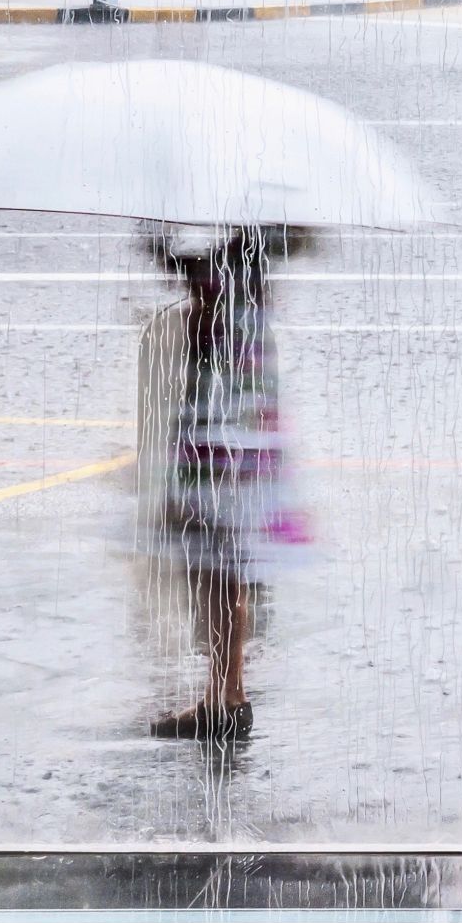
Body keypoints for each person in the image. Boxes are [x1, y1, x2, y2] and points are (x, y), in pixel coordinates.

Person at [147, 225, 311, 740]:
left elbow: (194, 290)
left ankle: (223, 695)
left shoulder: (222, 290)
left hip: (218, 448)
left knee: (213, 570)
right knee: (224, 570)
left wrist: (159, 242)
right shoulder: (250, 287)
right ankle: (228, 691)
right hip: (242, 444)